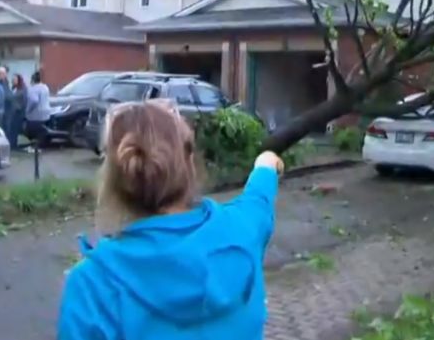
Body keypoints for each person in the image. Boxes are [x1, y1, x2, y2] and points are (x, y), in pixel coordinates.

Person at [57, 101, 284, 340]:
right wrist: (267, 161)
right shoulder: (243, 228)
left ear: (113, 177)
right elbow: (259, 194)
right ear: (189, 164)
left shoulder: (91, 287)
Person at [25, 71, 52, 152]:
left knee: (32, 130)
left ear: (32, 80)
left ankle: (35, 147)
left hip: (36, 114)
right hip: (46, 112)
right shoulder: (45, 87)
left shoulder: (33, 89)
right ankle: (41, 146)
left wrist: (28, 110)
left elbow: (34, 100)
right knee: (42, 131)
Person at [7, 74, 27, 152]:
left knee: (15, 129)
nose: (13, 80)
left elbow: (25, 101)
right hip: (11, 112)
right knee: (11, 129)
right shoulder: (13, 88)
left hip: (18, 112)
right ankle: (12, 144)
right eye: (12, 79)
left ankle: (14, 145)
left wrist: (20, 108)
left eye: (15, 79)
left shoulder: (23, 89)